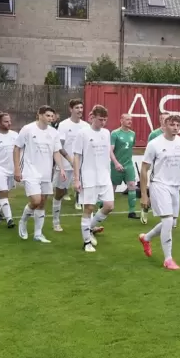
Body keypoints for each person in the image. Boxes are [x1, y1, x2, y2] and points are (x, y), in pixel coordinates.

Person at [138, 115, 180, 270]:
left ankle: (146, 238)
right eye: (172, 124)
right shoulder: (154, 144)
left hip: (175, 187)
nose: (175, 127)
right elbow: (144, 169)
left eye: (178, 125)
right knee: (168, 221)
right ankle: (168, 259)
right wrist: (144, 194)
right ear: (164, 125)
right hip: (159, 185)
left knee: (172, 223)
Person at [13, 105, 67, 243]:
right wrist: (17, 169)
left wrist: (61, 168)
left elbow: (56, 151)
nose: (50, 118)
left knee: (42, 203)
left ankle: (38, 234)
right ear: (40, 115)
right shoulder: (28, 129)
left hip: (46, 172)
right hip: (30, 171)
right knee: (35, 201)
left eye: (52, 116)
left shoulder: (54, 133)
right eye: (48, 115)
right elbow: (16, 148)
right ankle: (23, 221)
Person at [73, 105, 114, 253]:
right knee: (89, 208)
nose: (102, 122)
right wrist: (76, 179)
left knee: (109, 206)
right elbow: (77, 156)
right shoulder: (83, 133)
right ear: (92, 118)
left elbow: (107, 153)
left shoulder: (106, 133)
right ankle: (86, 243)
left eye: (105, 120)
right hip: (89, 176)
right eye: (100, 119)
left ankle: (90, 228)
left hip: (104, 177)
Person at [52, 99, 88, 230]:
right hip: (66, 166)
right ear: (71, 109)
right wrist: (70, 160)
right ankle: (56, 221)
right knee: (60, 193)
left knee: (86, 193)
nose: (80, 110)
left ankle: (88, 225)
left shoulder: (86, 126)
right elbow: (59, 146)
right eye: (77, 108)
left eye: (81, 107)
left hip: (81, 166)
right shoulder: (63, 125)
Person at [110, 113, 139, 220]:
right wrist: (116, 163)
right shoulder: (115, 133)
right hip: (116, 165)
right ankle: (104, 207)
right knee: (112, 187)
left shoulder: (132, 134)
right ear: (121, 120)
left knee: (132, 185)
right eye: (127, 119)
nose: (130, 121)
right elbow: (110, 150)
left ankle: (132, 212)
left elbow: (131, 147)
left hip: (129, 165)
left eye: (131, 119)